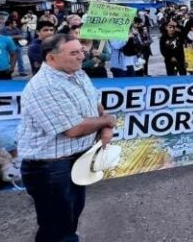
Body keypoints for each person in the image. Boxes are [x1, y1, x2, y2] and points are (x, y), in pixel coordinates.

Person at [16, 33, 117, 242]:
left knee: (68, 219)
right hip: (50, 168)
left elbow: (94, 102)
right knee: (58, 227)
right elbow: (73, 129)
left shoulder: (76, 73)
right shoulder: (44, 86)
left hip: (73, 160)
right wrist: (108, 121)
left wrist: (105, 123)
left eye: (81, 51)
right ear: (51, 58)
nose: (81, 56)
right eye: (74, 53)